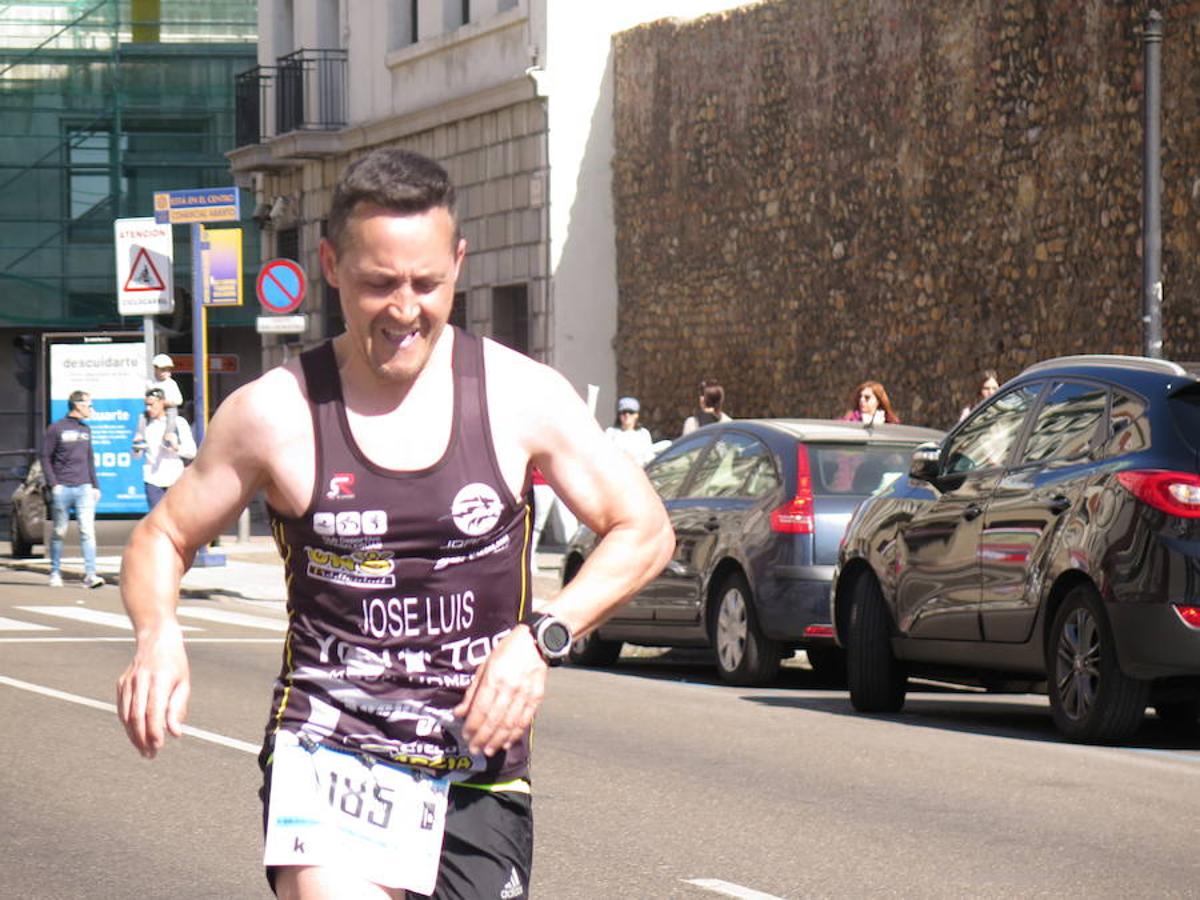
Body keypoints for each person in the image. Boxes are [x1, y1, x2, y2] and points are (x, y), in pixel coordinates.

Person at [115, 147, 674, 899]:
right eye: (380, 284)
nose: (405, 310)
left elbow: (644, 528)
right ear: (331, 266)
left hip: (478, 773)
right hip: (330, 754)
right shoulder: (274, 413)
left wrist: (543, 638)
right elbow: (163, 535)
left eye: (428, 283)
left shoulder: (520, 394)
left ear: (459, 263)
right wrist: (158, 634)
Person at [41, 390, 104, 589]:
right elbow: (45, 457)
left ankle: (91, 574)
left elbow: (89, 459)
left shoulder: (86, 430)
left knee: (87, 531)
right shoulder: (56, 428)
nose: (91, 408)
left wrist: (95, 486)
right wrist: (54, 484)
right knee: (59, 531)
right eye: (88, 404)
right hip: (63, 488)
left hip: (84, 487)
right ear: (78, 405)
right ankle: (55, 571)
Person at [135, 387, 197, 510]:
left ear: (162, 402)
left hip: (174, 478)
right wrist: (136, 448)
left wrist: (176, 446)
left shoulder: (178, 423)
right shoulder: (145, 424)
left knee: (177, 518)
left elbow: (192, 452)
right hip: (152, 479)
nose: (148, 408)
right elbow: (137, 456)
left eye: (151, 405)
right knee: (157, 519)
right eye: (146, 405)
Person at [133, 353, 183, 452]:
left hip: (168, 408)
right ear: (155, 369)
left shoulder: (171, 384)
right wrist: (150, 402)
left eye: (168, 370)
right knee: (142, 416)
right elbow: (146, 397)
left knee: (172, 415)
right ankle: (140, 436)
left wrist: (165, 403)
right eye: (162, 369)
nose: (166, 372)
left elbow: (179, 400)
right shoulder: (150, 383)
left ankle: (169, 435)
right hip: (153, 408)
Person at [605, 396, 656, 466]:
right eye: (623, 412)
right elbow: (605, 455)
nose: (627, 415)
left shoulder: (643, 434)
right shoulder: (610, 432)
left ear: (636, 415)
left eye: (631, 412)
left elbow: (649, 458)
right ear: (619, 415)